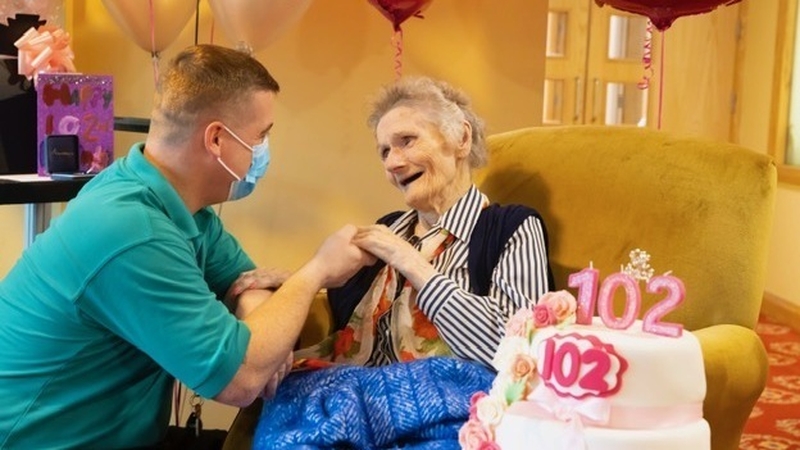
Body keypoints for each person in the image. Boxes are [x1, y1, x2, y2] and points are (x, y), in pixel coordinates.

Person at [0, 44, 372, 449]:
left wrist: (257, 330)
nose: (262, 151)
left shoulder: (179, 206)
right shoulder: (130, 230)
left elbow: (247, 282)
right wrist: (316, 270)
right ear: (216, 139)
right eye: (260, 136)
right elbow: (242, 381)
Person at [293, 76, 553, 370]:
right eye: (384, 151)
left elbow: (519, 346)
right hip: (356, 384)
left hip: (450, 400)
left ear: (461, 139)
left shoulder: (510, 227)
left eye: (407, 141)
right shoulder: (389, 228)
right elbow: (337, 291)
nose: (392, 163)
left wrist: (409, 261)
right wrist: (295, 281)